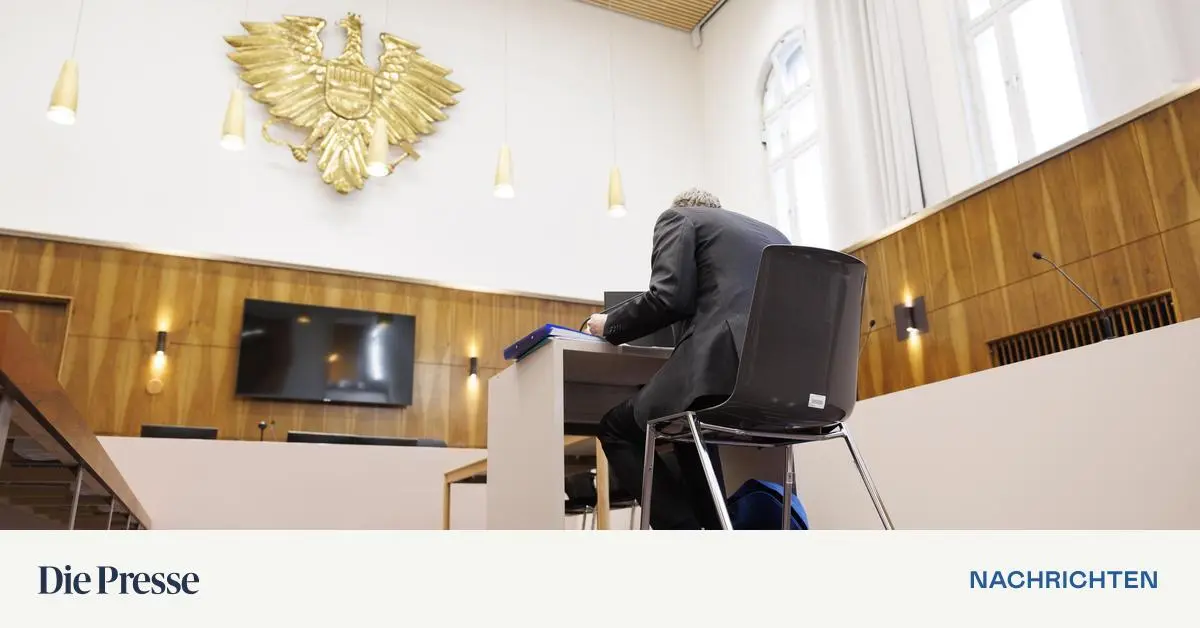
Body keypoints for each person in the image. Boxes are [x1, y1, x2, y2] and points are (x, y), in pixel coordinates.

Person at [583, 188, 789, 529]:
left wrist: (610, 324)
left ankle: (683, 534)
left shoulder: (678, 218)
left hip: (721, 372)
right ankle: (715, 533)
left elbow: (667, 299)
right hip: (785, 384)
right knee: (686, 425)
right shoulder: (774, 236)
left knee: (616, 429)